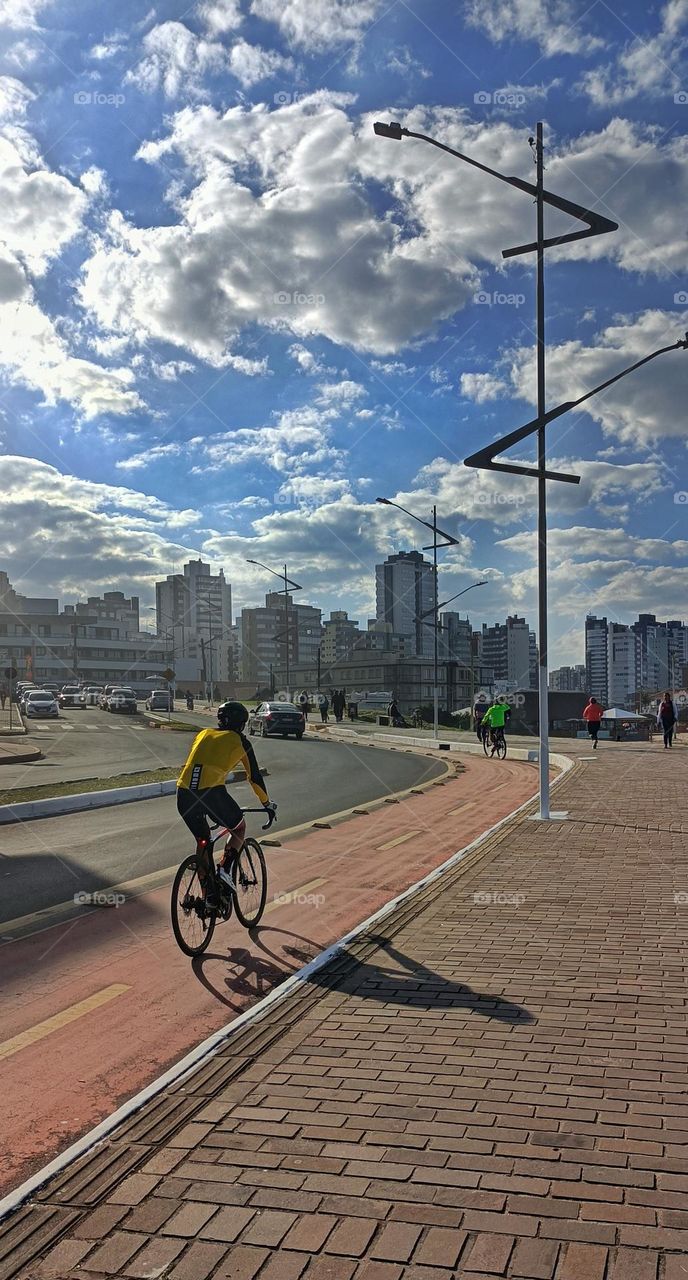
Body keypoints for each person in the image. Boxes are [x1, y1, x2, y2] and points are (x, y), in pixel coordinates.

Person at [177, 700, 275, 911]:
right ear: (241, 724)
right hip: (212, 792)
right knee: (238, 827)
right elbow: (254, 777)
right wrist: (267, 803)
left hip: (184, 793)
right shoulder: (241, 741)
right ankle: (224, 868)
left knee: (203, 842)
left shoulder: (202, 734)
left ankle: (209, 898)